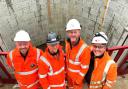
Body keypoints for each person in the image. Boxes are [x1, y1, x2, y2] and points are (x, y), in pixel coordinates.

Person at [65, 19, 91, 89]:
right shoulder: (67, 43)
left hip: (77, 79)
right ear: (67, 33)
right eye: (71, 32)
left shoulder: (85, 49)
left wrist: (77, 81)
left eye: (75, 32)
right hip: (69, 76)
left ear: (79, 32)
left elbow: (84, 68)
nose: (73, 34)